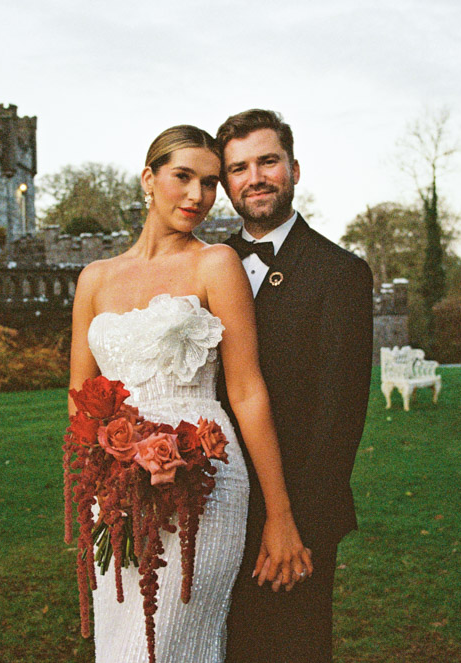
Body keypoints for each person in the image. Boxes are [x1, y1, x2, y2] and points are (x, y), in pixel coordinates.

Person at [68, 124, 313, 663]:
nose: (198, 196)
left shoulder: (215, 264)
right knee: (120, 646)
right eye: (183, 177)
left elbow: (247, 392)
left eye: (208, 182)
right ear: (148, 180)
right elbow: (80, 398)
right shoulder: (94, 278)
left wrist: (280, 513)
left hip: (204, 481)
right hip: (115, 490)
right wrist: (110, 463)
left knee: (166, 646)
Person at [218, 109, 374, 663]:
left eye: (267, 161)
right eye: (239, 167)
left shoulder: (340, 273)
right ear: (226, 183)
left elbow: (340, 417)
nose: (254, 177)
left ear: (294, 169)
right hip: (214, 508)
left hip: (296, 514)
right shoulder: (210, 266)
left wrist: (294, 526)